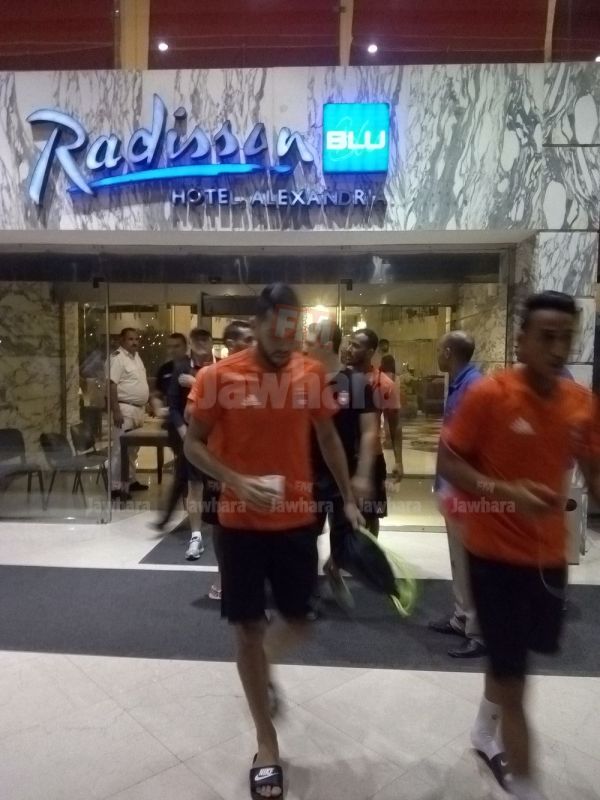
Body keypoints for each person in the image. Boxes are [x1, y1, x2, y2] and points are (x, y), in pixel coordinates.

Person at [184, 283, 363, 800]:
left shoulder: (310, 374)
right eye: (277, 330)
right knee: (247, 630)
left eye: (293, 331)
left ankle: (261, 667)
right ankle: (266, 744)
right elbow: (192, 444)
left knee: (300, 621)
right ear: (259, 323)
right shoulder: (219, 377)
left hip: (296, 522)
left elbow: (328, 437)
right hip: (239, 526)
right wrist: (234, 481)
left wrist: (349, 498)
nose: (286, 342)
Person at [437, 291, 600, 800]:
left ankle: (483, 730)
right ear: (521, 340)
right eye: (546, 337)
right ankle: (526, 783)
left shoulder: (581, 403)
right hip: (493, 558)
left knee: (517, 662)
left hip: (548, 559)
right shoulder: (489, 395)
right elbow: (448, 462)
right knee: (515, 682)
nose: (558, 349)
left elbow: (595, 473)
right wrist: (504, 491)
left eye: (566, 338)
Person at [306, 320, 378, 610]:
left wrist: (362, 475)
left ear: (325, 345)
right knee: (305, 536)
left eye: (308, 342)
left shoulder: (356, 383)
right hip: (306, 475)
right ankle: (307, 592)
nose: (303, 347)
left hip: (344, 475)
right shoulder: (302, 382)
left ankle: (334, 568)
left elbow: (370, 431)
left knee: (346, 538)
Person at [429, 331, 485, 658]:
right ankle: (461, 616)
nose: (437, 355)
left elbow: (477, 444)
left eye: (439, 349)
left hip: (466, 492)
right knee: (457, 558)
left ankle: (478, 631)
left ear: (449, 352)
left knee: (469, 561)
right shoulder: (459, 384)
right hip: (452, 487)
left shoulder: (473, 387)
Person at [346, 328, 403, 536]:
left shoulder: (384, 384)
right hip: (344, 457)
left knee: (371, 515)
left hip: (372, 458)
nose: (349, 349)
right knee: (341, 514)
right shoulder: (339, 379)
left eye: (355, 346)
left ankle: (370, 551)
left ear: (370, 352)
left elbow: (395, 424)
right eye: (349, 344)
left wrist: (399, 461)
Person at [165, 329, 214, 559]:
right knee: (194, 484)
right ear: (191, 344)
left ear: (212, 343)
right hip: (192, 436)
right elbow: (174, 405)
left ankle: (227, 529)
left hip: (219, 437)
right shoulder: (181, 367)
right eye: (197, 341)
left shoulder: (222, 367)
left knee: (221, 485)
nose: (201, 344)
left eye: (205, 340)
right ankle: (196, 536)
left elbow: (226, 399)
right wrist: (183, 431)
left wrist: (197, 383)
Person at [108, 328, 150, 500]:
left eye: (136, 339)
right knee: (120, 449)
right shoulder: (117, 358)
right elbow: (111, 385)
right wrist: (116, 410)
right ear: (122, 340)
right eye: (130, 339)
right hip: (124, 409)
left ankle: (130, 480)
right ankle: (115, 487)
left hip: (138, 409)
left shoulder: (136, 357)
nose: (134, 342)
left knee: (133, 449)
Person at [155, 333, 189, 398]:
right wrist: (154, 399)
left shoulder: (193, 366)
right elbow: (159, 392)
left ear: (185, 347)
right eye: (169, 347)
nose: (172, 350)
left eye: (177, 346)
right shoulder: (164, 369)